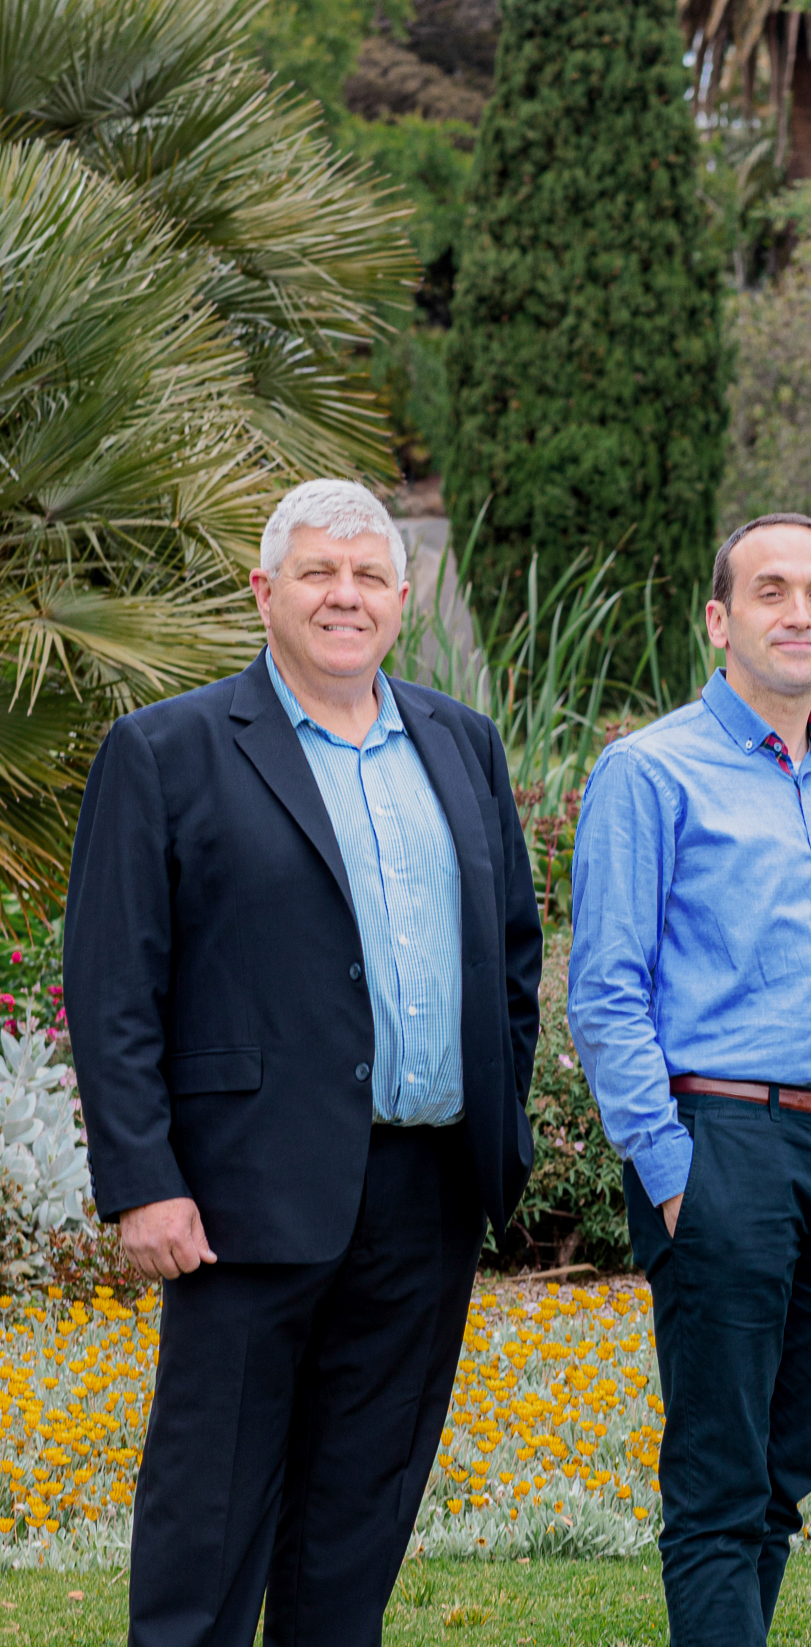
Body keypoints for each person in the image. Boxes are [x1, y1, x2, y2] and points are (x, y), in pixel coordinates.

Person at [65, 479, 542, 1647]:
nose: (346, 596)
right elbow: (114, 981)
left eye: (369, 575)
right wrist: (142, 1178)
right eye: (319, 574)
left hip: (425, 1192)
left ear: (400, 595)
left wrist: (499, 1135)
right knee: (208, 1524)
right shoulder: (166, 750)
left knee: (356, 1528)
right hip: (239, 1195)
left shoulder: (460, 743)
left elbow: (513, 958)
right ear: (265, 591)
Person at [566, 513, 811, 1647]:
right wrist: (670, 1170)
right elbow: (606, 992)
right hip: (722, 1146)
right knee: (721, 1485)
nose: (799, 611)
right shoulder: (648, 770)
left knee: (781, 1480)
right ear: (721, 619)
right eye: (772, 591)